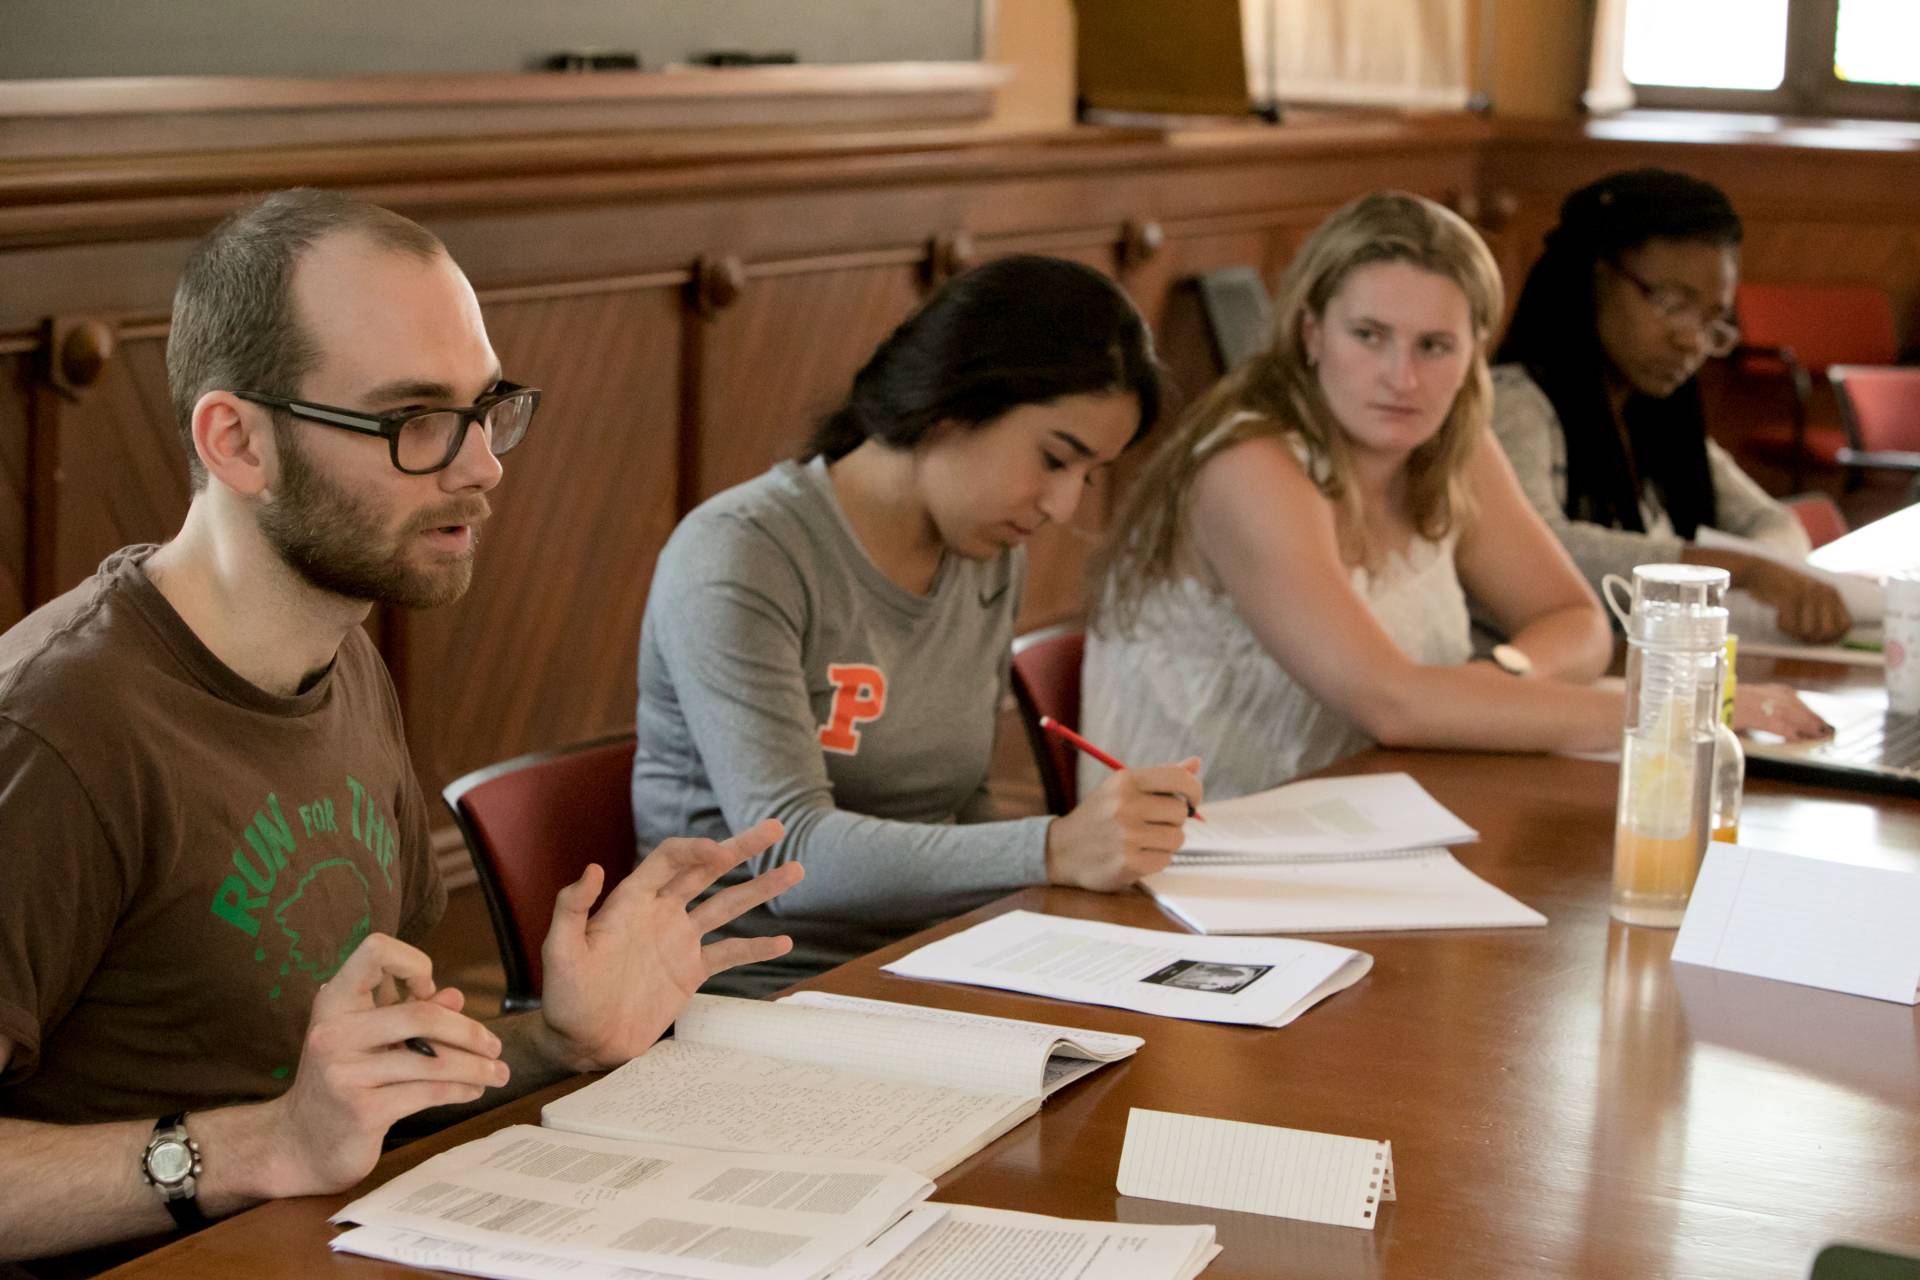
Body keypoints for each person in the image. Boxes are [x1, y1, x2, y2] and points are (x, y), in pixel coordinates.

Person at [0, 189, 800, 1272]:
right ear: (236, 440)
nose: (482, 466)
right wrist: (256, 1147)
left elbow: (355, 1104)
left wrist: (555, 1039)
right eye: (413, 421)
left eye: (487, 408)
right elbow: (294, 1137)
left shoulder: (341, 651)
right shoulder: (53, 731)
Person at [1082, 192, 1827, 805]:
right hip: (1203, 856)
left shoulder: (1450, 441)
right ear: (1311, 332)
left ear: (1474, 347)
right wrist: (1680, 709)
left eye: (1434, 346)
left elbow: (1575, 623)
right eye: (1369, 335)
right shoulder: (1252, 465)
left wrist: (1495, 681)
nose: (1401, 378)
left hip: (1377, 817)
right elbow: (1393, 703)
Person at [632, 255, 1202, 998]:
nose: (1063, 506)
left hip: (932, 963)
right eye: (1055, 459)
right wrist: (1055, 848)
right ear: (951, 406)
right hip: (757, 992)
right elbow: (791, 860)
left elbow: (959, 804)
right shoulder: (742, 554)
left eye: (1088, 475)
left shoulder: (985, 551)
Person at [1492, 168, 1851, 644]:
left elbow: (1772, 521)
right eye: (1671, 303)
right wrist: (1735, 570)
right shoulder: (1514, 402)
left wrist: (1765, 567)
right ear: (1596, 278)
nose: (1691, 341)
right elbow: (1536, 546)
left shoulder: (1653, 412)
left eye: (1712, 320)